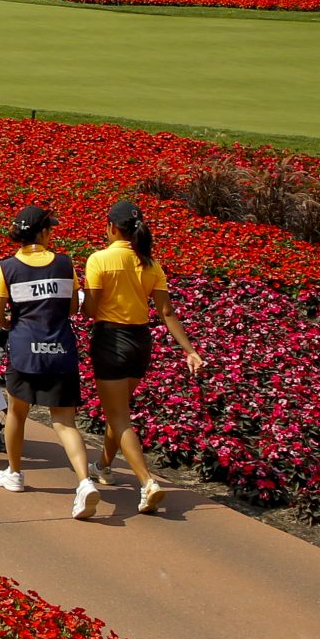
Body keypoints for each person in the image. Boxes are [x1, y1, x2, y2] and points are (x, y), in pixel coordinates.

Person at [83, 199, 206, 517]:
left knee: (120, 416)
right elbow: (166, 312)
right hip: (140, 342)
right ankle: (103, 466)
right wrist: (190, 351)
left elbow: (91, 311)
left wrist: (79, 298)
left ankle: (146, 482)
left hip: (110, 340)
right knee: (119, 409)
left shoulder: (99, 260)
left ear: (111, 227)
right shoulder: (151, 265)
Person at [0, 205, 102, 518]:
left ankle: (14, 473)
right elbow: (72, 309)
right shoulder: (65, 264)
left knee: (17, 412)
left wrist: (15, 326)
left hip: (25, 352)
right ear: (44, 232)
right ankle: (84, 482)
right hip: (61, 351)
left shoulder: (6, 267)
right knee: (65, 422)